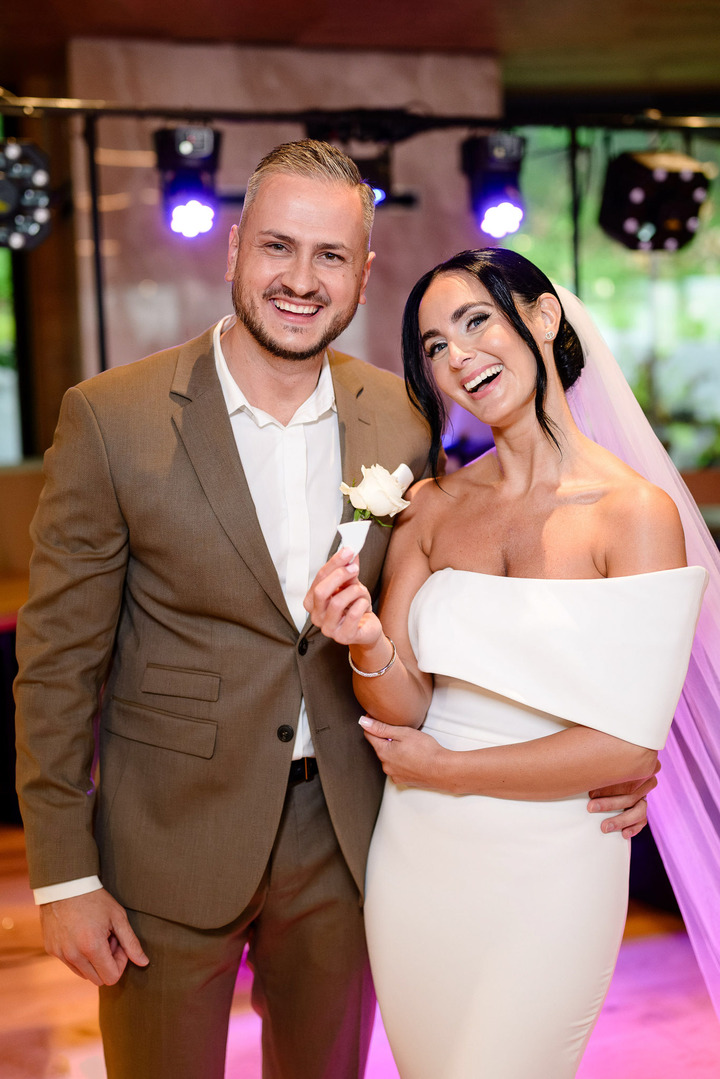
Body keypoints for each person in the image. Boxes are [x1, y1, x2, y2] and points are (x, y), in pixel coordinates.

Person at [14, 146, 650, 1079]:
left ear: (364, 271)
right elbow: (56, 664)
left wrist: (604, 757)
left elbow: (454, 631)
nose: (302, 280)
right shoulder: (113, 416)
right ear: (235, 248)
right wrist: (66, 874)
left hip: (355, 839)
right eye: (279, 246)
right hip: (166, 840)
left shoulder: (405, 417)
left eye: (332, 256)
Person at [305, 248, 710, 1078]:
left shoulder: (635, 515)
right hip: (418, 855)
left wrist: (448, 770)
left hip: (557, 856)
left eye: (475, 321)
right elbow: (405, 706)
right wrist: (367, 641)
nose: (458, 356)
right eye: (434, 346)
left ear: (545, 317)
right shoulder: (431, 506)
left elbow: (625, 747)